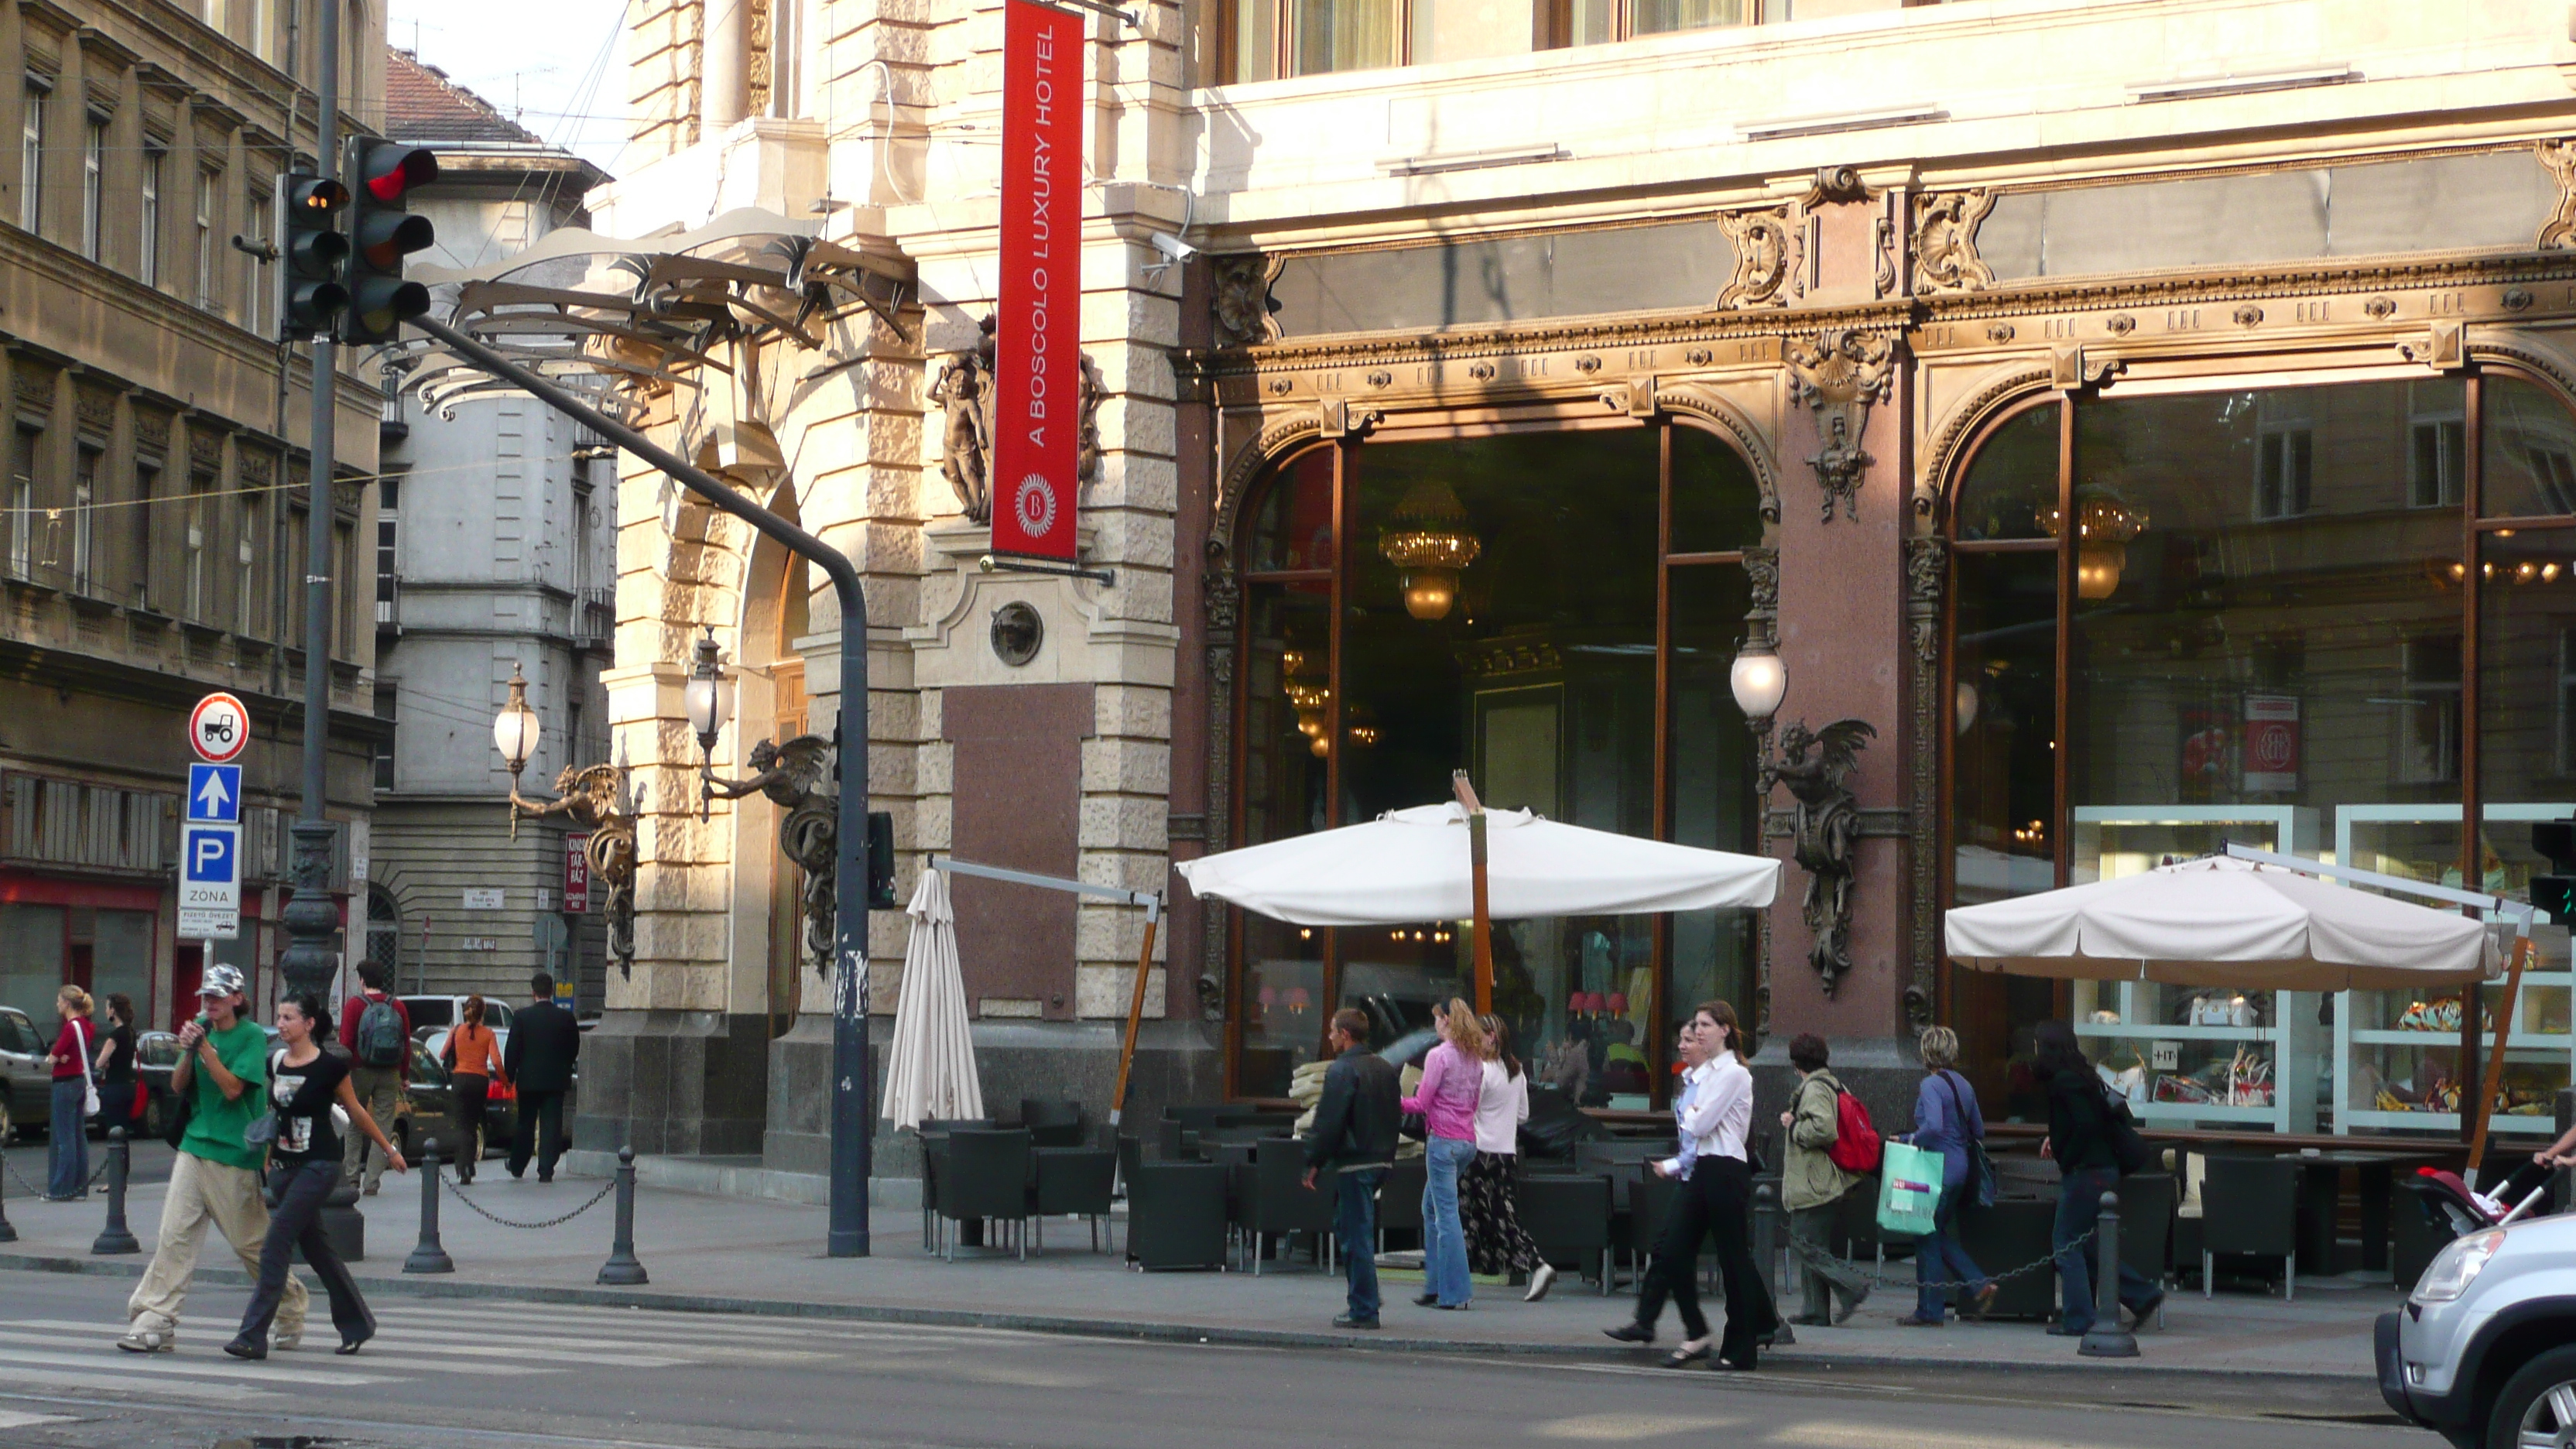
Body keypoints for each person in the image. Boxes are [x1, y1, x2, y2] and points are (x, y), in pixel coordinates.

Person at [122, 965, 308, 1354]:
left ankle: (290, 1306)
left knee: (250, 1244)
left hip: (235, 1151)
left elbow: (233, 1090)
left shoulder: (252, 1036)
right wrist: (188, 1050)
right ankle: (155, 1318)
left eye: (218, 996)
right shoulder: (198, 1029)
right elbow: (177, 1086)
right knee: (174, 1236)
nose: (209, 1002)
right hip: (194, 1145)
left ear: (237, 999)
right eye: (205, 996)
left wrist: (206, 1048)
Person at [228, 994, 408, 1360]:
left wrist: (388, 1150)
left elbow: (356, 1111)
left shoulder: (329, 1068)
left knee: (276, 1241)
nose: (281, 1024)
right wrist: (265, 1160)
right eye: (279, 1016)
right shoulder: (275, 1061)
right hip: (283, 1169)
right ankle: (358, 1324)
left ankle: (252, 1335)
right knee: (319, 1251)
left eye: (289, 1017)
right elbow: (272, 1113)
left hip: (320, 1166)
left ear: (309, 1024)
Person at [1609, 1000, 1779, 1368]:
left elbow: (1697, 1126)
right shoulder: (1709, 1074)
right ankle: (1731, 1327)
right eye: (1697, 1024)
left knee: (1733, 1260)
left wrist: (1696, 1113)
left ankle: (1741, 1348)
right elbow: (1696, 1122)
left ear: (1725, 1030)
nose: (1698, 1031)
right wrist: (1697, 1114)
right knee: (1671, 1250)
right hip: (1705, 1167)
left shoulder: (1733, 1073)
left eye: (1706, 1025)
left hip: (1726, 1170)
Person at [2035, 1019, 2162, 1336]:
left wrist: (2066, 1154)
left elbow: (2084, 1126)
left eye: (2038, 1044)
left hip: (2086, 1173)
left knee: (2065, 1243)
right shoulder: (2084, 1077)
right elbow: (2093, 1122)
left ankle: (2079, 1319)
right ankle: (2142, 1295)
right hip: (2103, 1170)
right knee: (2090, 1246)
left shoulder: (2064, 1082)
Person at [1303, 1006, 1402, 1330]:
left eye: (1332, 1031)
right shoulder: (1385, 1068)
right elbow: (1396, 1116)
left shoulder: (1342, 1071)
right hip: (1381, 1159)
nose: (1329, 1037)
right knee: (1353, 1228)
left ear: (1345, 1035)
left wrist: (1314, 1162)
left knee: (1354, 1233)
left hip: (1354, 1161)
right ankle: (1367, 1293)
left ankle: (1363, 1307)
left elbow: (1329, 1122)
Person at [1892, 1026, 1995, 1327]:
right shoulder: (1965, 1085)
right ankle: (1977, 1283)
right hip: (1960, 1168)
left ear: (1926, 1052)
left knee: (1925, 1234)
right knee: (1935, 1232)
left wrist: (1910, 1139)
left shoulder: (1930, 1085)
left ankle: (1930, 1309)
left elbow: (1933, 1127)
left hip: (1936, 1168)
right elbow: (1978, 1130)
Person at [1777, 1032, 1870, 1326]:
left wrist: (1793, 1126)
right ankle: (1815, 1310)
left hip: (1815, 1181)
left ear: (1796, 1063)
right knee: (1811, 1243)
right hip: (1820, 1180)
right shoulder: (1831, 1083)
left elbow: (1824, 1130)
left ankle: (1853, 1286)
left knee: (1804, 1244)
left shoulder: (1815, 1089)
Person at [1399, 999, 1486, 1310]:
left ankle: (1455, 1292)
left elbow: (1420, 1104)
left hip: (1442, 1143)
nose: (1435, 1024)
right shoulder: (1474, 1058)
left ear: (1447, 1020)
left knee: (1446, 1215)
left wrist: (1395, 1100)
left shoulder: (1438, 1056)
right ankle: (1435, 1287)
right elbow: (1474, 1102)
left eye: (1437, 1018)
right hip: (1466, 1142)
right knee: (1433, 1209)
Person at [1461, 1015, 1554, 1301]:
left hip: (1480, 1152)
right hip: (1505, 1154)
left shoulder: (1482, 1071)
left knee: (1472, 1215)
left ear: (1491, 1037)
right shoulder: (1516, 1071)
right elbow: (1524, 1115)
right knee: (1503, 1212)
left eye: (1478, 1035)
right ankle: (1531, 1265)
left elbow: (1469, 1111)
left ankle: (1458, 1277)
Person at [337, 963, 412, 1197]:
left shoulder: (354, 1005)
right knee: (383, 1125)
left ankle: (351, 1178)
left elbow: (346, 1043)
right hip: (390, 1072)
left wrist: (342, 1075)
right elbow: (406, 1043)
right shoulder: (397, 1006)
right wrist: (404, 1075)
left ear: (362, 981)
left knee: (354, 1122)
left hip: (359, 1070)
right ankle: (372, 1182)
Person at [504, 971, 581, 1182]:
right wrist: (565, 1066)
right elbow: (574, 1047)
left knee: (525, 1124)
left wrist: (509, 1076)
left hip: (528, 1081)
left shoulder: (521, 1017)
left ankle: (518, 1165)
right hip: (556, 1081)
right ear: (552, 992)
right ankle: (546, 1168)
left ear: (533, 993)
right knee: (551, 1125)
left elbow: (513, 1050)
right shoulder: (565, 1018)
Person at [442, 995, 506, 1184]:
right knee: (473, 1123)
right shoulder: (488, 1034)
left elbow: (443, 1053)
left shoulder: (456, 1031)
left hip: (460, 1078)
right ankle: (469, 1164)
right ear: (482, 1013)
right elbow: (496, 1061)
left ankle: (462, 1166)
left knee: (461, 1124)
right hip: (479, 1080)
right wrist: (504, 1080)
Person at [42, 985, 97, 1200]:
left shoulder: (69, 1027)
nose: (57, 1004)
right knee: (78, 1136)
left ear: (67, 1003)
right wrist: (62, 1057)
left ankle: (61, 1189)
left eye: (59, 1000)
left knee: (64, 1138)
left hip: (63, 1083)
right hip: (79, 1081)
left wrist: (56, 1057)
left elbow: (52, 1057)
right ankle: (80, 1188)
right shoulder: (86, 1026)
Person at [94, 993, 141, 1149]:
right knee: (123, 1131)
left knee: (114, 1130)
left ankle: (116, 1167)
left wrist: (104, 1062)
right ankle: (123, 1167)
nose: (106, 1011)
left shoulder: (115, 1035)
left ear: (113, 1011)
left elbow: (100, 1062)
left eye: (107, 1007)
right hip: (129, 1086)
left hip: (114, 1086)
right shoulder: (131, 1032)